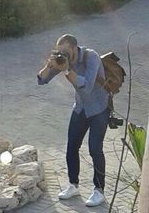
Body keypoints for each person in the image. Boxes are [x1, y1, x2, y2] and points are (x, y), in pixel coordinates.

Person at [37, 33, 109, 207]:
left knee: (95, 149)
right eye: (59, 51)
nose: (63, 55)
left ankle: (99, 191)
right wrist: (49, 65)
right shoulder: (63, 60)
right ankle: (73, 185)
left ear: (74, 48)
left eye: (65, 51)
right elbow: (41, 80)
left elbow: (87, 87)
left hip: (99, 109)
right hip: (81, 108)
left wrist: (67, 70)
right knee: (71, 146)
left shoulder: (91, 57)